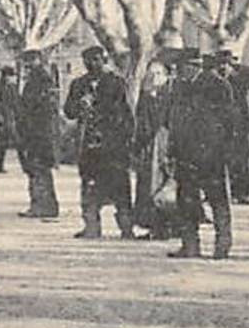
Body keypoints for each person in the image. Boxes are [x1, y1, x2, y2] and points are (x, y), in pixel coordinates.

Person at [165, 48, 236, 259]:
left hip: (211, 154)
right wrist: (172, 149)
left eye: (182, 68)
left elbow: (230, 122)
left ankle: (222, 244)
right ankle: (190, 245)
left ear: (194, 66)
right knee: (186, 199)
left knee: (217, 199)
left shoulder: (218, 85)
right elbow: (174, 118)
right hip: (185, 153)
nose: (179, 72)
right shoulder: (179, 86)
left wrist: (225, 151)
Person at [63, 45, 135, 239]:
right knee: (89, 184)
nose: (92, 64)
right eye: (88, 60)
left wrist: (127, 140)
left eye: (96, 60)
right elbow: (68, 111)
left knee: (120, 186)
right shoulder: (78, 84)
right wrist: (80, 105)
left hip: (114, 145)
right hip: (89, 144)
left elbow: (127, 113)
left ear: (104, 60)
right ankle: (91, 225)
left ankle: (126, 228)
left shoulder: (117, 83)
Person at [15, 49, 60, 219]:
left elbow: (37, 109)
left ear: (37, 60)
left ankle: (42, 206)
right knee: (37, 170)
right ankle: (43, 205)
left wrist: (28, 129)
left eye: (29, 62)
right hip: (36, 132)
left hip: (38, 133)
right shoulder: (37, 80)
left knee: (38, 169)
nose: (27, 66)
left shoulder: (40, 81)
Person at [133, 57, 174, 240]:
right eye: (151, 74)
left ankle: (166, 227)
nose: (154, 77)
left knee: (164, 186)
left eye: (158, 73)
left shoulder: (171, 96)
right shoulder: (146, 96)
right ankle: (152, 226)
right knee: (147, 185)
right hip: (148, 148)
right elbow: (140, 123)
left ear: (166, 76)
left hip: (164, 144)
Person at [222, 50, 249, 205]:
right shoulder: (220, 80)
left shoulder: (240, 79)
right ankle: (231, 191)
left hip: (241, 125)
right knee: (228, 160)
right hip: (226, 125)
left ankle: (242, 193)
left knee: (241, 160)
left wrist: (236, 70)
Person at [0, 67, 19, 173]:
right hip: (1, 117)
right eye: (10, 75)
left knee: (16, 140)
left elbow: (16, 102)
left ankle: (25, 163)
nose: (10, 78)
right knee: (1, 142)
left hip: (10, 117)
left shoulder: (12, 87)